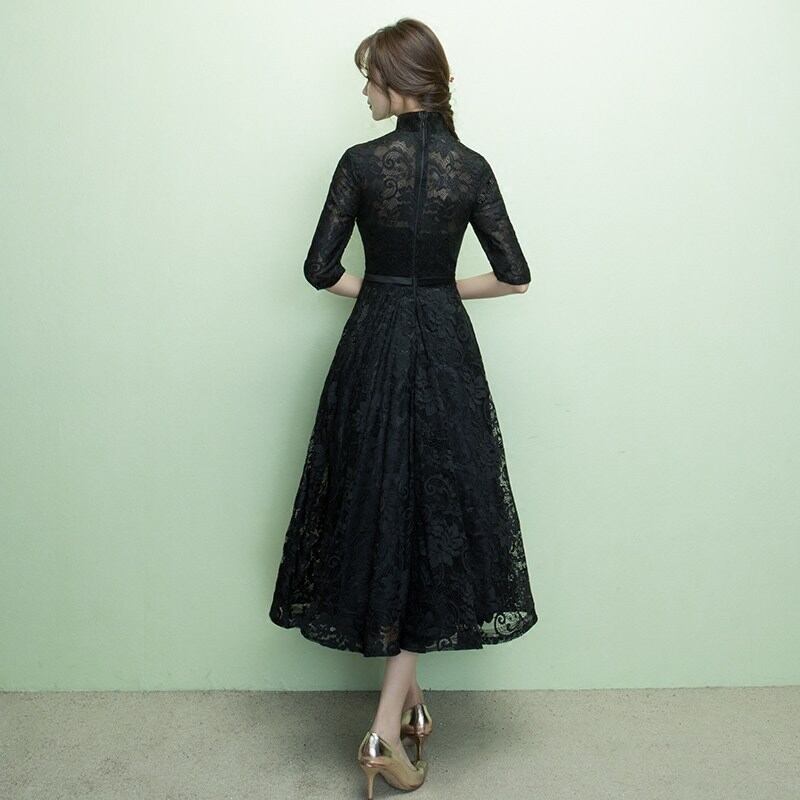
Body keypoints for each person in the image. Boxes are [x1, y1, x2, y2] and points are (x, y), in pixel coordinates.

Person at [268, 17, 539, 799]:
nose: (363, 90)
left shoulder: (360, 163)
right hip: (445, 351)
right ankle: (404, 714)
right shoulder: (471, 167)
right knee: (432, 514)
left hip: (374, 348)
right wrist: (436, 291)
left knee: (385, 508)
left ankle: (385, 730)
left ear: (400, 83)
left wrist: (385, 291)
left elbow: (320, 270)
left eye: (370, 77)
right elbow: (514, 276)